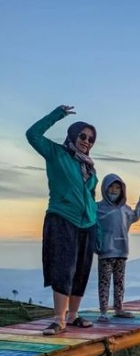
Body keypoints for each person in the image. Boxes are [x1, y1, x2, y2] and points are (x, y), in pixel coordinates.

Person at [25, 105, 97, 336]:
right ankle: (59, 318)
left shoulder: (89, 167)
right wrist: (58, 114)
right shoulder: (56, 153)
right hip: (62, 218)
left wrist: (99, 229)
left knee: (81, 270)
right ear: (72, 136)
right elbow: (32, 134)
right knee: (63, 268)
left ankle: (74, 316)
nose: (86, 141)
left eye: (91, 139)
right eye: (83, 136)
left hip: (87, 224)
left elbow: (91, 199)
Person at [96, 174, 140, 322]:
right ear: (105, 188)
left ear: (122, 190)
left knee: (119, 282)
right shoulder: (97, 208)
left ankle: (119, 308)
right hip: (105, 252)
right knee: (104, 282)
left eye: (117, 187)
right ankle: (103, 311)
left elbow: (137, 215)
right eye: (111, 186)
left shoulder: (125, 209)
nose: (114, 190)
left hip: (122, 252)